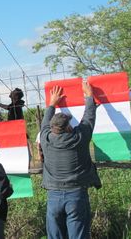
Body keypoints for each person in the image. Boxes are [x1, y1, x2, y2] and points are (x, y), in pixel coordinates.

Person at [40, 83, 102, 239]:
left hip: (53, 196)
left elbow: (44, 123)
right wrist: (89, 96)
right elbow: (89, 118)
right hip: (76, 194)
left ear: (52, 128)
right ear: (68, 127)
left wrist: (52, 104)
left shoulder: (45, 138)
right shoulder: (79, 138)